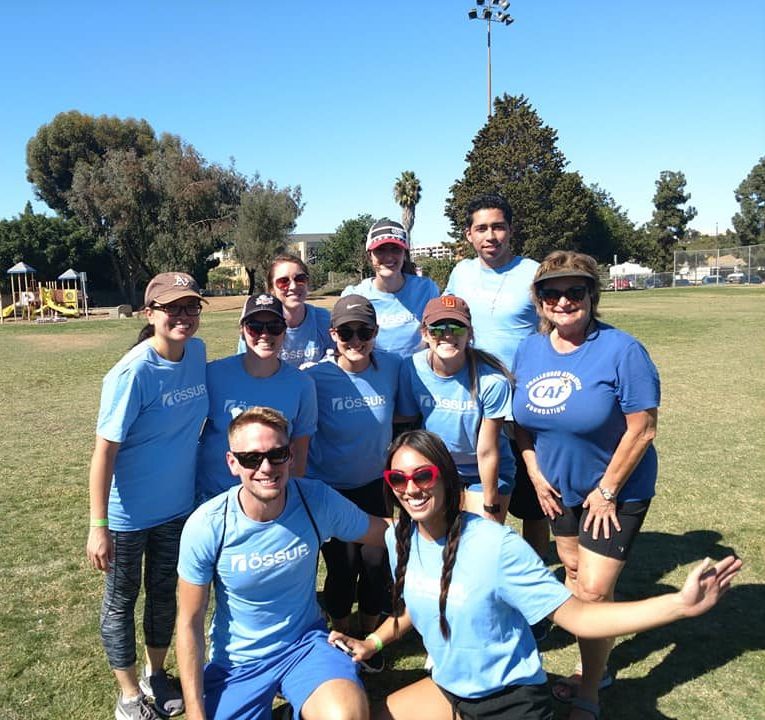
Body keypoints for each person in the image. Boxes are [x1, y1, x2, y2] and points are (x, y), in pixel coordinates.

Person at [329, 430, 742, 720]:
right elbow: (418, 604)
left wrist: (678, 604)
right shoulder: (400, 539)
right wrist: (373, 641)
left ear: (446, 478)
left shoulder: (496, 546)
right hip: (448, 690)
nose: (411, 488)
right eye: (398, 478)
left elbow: (579, 617)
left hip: (510, 702)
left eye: (423, 475)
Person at [512, 250, 661, 719]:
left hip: (615, 494)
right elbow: (522, 424)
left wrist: (609, 489)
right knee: (574, 574)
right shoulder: (529, 349)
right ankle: (596, 660)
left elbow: (643, 428)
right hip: (558, 489)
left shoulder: (623, 350)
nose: (563, 301)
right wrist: (534, 473)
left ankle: (589, 691)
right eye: (551, 293)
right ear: (539, 301)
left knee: (593, 591)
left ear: (592, 296)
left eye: (574, 291)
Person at [176, 407, 390, 720]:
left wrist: (448, 522)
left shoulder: (315, 499)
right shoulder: (207, 525)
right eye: (251, 458)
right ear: (232, 463)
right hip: (237, 662)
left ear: (290, 455)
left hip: (304, 647)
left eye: (277, 454)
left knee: (347, 715)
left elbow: (382, 532)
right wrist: (195, 713)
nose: (266, 467)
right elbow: (189, 623)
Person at [86, 272, 209, 720]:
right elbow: (103, 453)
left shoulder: (197, 352)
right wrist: (98, 526)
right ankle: (128, 695)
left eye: (190, 307)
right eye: (171, 307)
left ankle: (158, 674)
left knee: (163, 593)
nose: (182, 316)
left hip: (177, 508)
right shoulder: (132, 372)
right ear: (149, 313)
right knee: (121, 599)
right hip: (127, 516)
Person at [443, 193, 548, 559]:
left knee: (534, 504)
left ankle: (535, 570)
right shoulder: (461, 273)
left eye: (498, 226)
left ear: (510, 230)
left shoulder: (533, 273)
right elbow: (446, 325)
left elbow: (553, 332)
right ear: (469, 235)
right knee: (482, 495)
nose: (491, 235)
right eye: (481, 228)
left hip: (523, 408)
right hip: (473, 403)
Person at [305, 295, 404, 661]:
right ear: (333, 334)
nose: (355, 340)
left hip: (376, 486)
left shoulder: (392, 367)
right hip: (331, 490)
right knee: (343, 568)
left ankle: (370, 633)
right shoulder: (315, 378)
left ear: (376, 332)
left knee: (377, 564)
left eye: (364, 331)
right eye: (346, 332)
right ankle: (341, 635)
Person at [397, 295, 516, 522]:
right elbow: (410, 420)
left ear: (470, 334)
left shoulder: (492, 381)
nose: (448, 335)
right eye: (437, 329)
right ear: (424, 333)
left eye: (458, 328)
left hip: (482, 472)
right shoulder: (411, 368)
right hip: (437, 467)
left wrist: (491, 506)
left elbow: (487, 451)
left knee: (476, 541)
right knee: (439, 539)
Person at [197, 293, 317, 503]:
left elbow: (299, 451)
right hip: (213, 496)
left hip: (269, 499)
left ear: (285, 331)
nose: (265, 334)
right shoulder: (213, 374)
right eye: (255, 327)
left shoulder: (302, 384)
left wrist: (289, 500)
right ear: (242, 332)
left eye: (274, 327)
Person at [342, 218, 439, 357]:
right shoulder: (354, 296)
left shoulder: (426, 289)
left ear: (404, 254)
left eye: (396, 249)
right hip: (377, 375)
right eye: (380, 250)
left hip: (415, 375)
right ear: (369, 255)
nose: (388, 257)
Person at [236, 254, 333, 368]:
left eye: (300, 279)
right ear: (271, 289)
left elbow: (338, 358)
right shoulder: (257, 324)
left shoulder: (323, 319)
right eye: (283, 281)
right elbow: (246, 365)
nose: (293, 286)